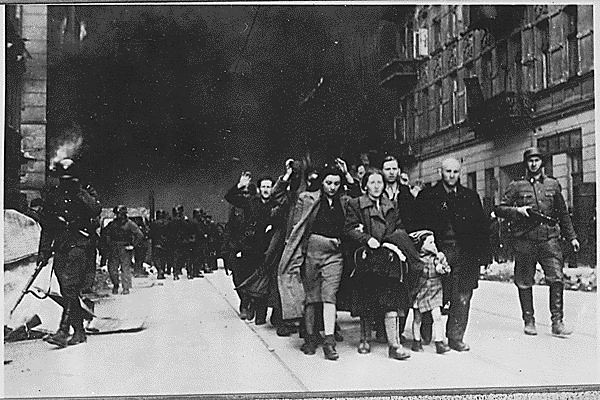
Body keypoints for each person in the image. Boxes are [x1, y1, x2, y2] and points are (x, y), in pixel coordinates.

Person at [495, 147, 579, 337]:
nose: (534, 164)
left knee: (556, 279)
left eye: (537, 160)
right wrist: (517, 211)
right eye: (530, 160)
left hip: (549, 239)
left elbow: (563, 213)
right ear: (526, 163)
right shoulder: (517, 186)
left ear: (542, 162)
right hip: (525, 240)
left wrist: (572, 236)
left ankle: (557, 322)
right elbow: (500, 208)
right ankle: (529, 320)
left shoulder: (553, 185)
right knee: (524, 281)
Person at [278, 159, 356, 361]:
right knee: (311, 298)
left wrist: (348, 175)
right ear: (322, 182)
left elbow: (360, 198)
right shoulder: (307, 198)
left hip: (334, 254)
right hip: (311, 253)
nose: (332, 187)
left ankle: (329, 342)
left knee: (329, 296)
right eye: (329, 183)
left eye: (337, 184)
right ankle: (310, 339)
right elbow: (296, 227)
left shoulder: (344, 201)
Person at [344, 168, 422, 360]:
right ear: (365, 185)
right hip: (367, 257)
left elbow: (399, 227)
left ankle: (394, 345)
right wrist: (365, 238)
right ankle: (364, 339)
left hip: (388, 257)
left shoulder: (391, 205)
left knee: (392, 300)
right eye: (372, 182)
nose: (377, 186)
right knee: (366, 298)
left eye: (380, 182)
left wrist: (393, 240)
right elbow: (349, 228)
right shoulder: (355, 204)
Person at [414, 157, 489, 351]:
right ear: (441, 172)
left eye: (455, 172)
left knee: (463, 294)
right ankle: (426, 330)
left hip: (465, 253)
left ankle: (455, 337)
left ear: (460, 173)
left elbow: (481, 228)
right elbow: (418, 228)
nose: (452, 176)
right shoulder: (427, 196)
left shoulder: (470, 197)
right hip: (436, 253)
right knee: (432, 292)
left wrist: (484, 255)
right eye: (448, 171)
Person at [37, 158, 102, 347]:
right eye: (63, 178)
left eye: (70, 178)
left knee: (70, 286)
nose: (66, 182)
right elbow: (47, 225)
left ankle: (65, 330)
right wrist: (44, 250)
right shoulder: (53, 196)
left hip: (81, 244)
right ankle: (76, 331)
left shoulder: (85, 192)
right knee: (66, 289)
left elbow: (95, 209)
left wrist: (79, 191)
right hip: (62, 246)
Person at [225, 173, 276, 321]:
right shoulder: (251, 202)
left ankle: (258, 308)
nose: (266, 189)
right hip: (247, 246)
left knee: (261, 279)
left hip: (266, 248)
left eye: (269, 186)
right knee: (241, 277)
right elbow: (230, 197)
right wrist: (240, 185)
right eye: (263, 186)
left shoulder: (275, 203)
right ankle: (245, 303)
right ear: (259, 189)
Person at [408, 230, 451, 354]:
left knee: (437, 316)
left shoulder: (438, 257)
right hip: (421, 290)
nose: (434, 245)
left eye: (434, 242)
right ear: (422, 245)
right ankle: (416, 341)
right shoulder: (417, 259)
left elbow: (445, 268)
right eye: (430, 242)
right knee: (417, 318)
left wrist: (443, 269)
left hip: (435, 289)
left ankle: (439, 342)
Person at [101, 205, 144, 294]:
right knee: (112, 269)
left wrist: (133, 244)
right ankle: (115, 284)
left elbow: (139, 235)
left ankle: (126, 287)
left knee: (125, 269)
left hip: (125, 248)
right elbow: (106, 234)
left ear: (124, 214)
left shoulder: (130, 224)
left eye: (119, 214)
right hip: (113, 248)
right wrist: (108, 245)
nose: (117, 216)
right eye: (117, 214)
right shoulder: (112, 224)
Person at [149, 209, 170, 280]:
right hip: (165, 242)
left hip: (156, 242)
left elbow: (150, 233)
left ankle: (159, 270)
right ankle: (162, 270)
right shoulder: (167, 223)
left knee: (156, 258)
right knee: (163, 258)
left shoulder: (154, 223)